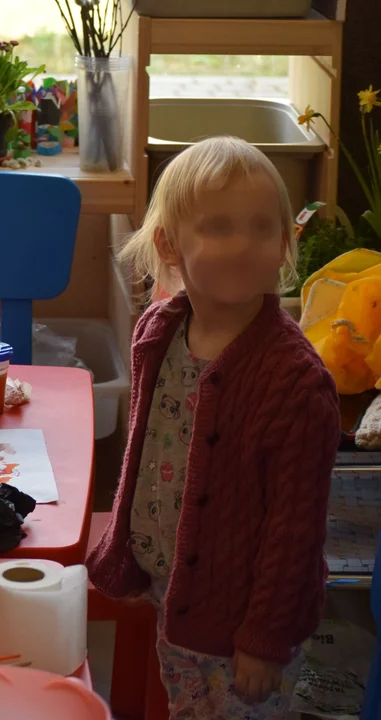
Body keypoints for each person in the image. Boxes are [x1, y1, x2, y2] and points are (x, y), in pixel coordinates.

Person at [87, 136, 341, 718]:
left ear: (284, 242)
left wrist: (264, 639)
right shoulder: (159, 330)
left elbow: (294, 531)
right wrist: (127, 552)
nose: (243, 245)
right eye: (219, 227)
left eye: (261, 228)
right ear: (169, 244)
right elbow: (143, 451)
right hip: (172, 595)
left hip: (242, 630)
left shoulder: (295, 383)